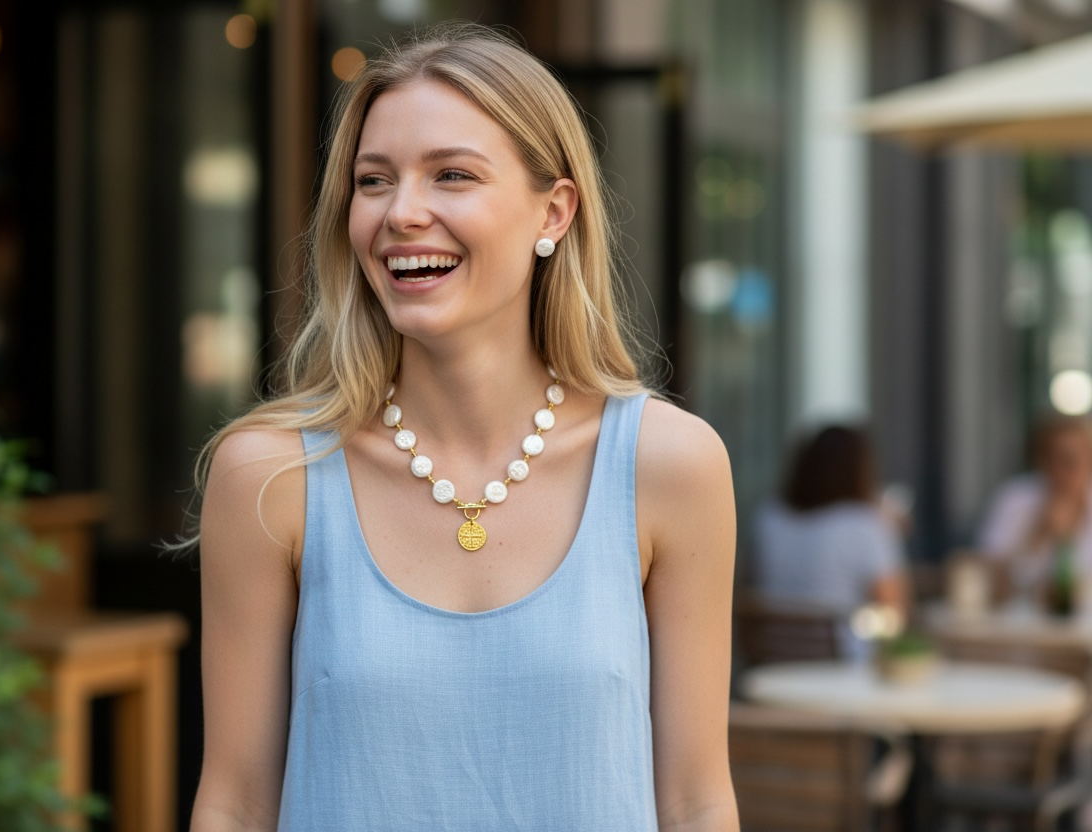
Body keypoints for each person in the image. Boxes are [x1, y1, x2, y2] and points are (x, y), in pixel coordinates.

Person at [188, 22, 737, 832]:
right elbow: (234, 803)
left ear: (553, 213)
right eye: (373, 181)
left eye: (451, 175)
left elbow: (695, 800)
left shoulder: (671, 465)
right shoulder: (270, 475)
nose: (402, 212)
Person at [751, 426, 909, 652]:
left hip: (771, 659)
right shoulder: (865, 525)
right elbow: (893, 617)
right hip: (843, 670)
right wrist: (892, 533)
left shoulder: (768, 517)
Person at [977, 414, 1092, 612]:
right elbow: (987, 578)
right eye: (1063, 459)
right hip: (1023, 629)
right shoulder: (1014, 499)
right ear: (1043, 461)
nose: (1072, 468)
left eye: (1080, 456)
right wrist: (1039, 532)